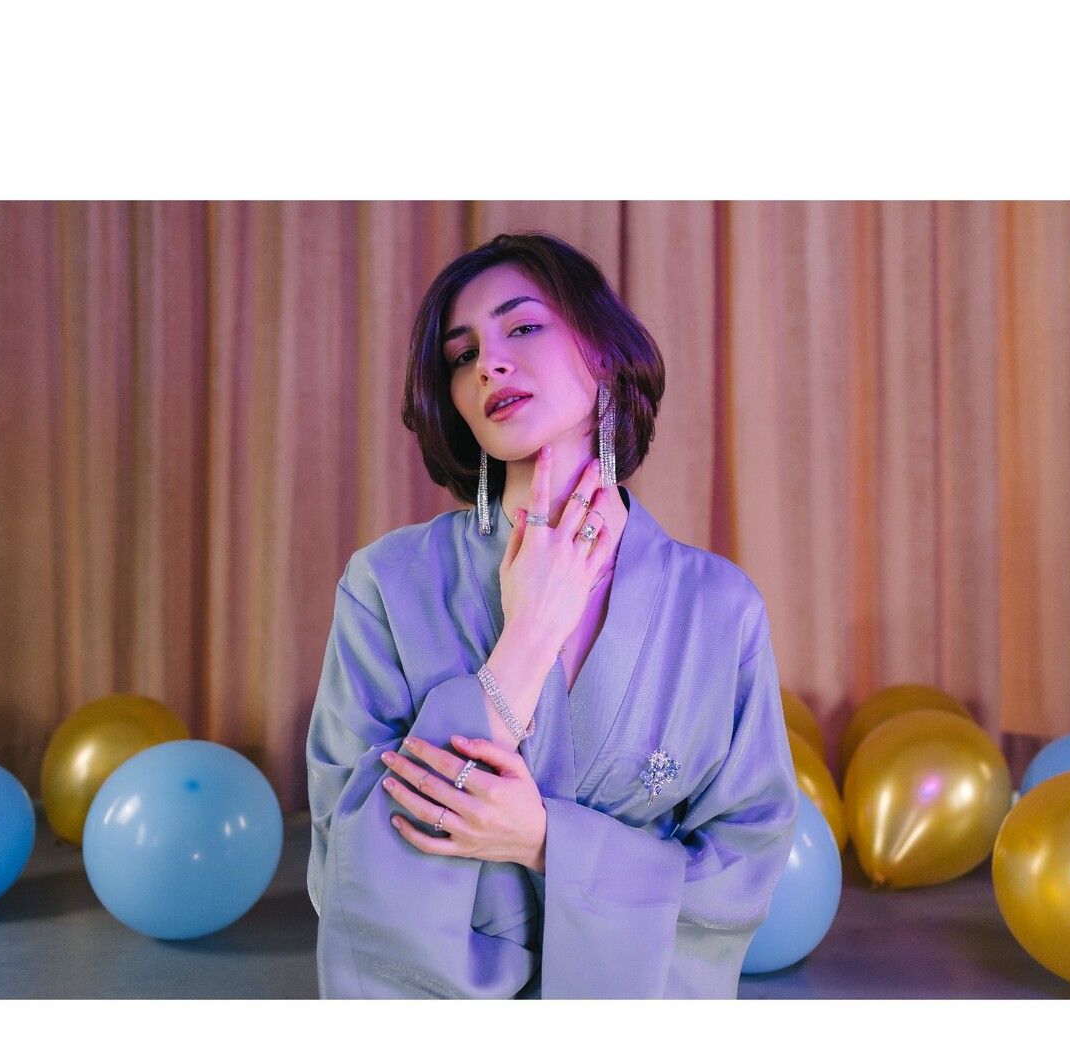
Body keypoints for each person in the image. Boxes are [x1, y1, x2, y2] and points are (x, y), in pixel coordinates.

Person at [306, 231, 798, 998]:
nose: (488, 365)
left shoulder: (719, 607)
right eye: (462, 355)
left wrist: (545, 843)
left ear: (604, 350)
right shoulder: (385, 585)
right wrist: (528, 640)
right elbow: (351, 853)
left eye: (524, 326)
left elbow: (744, 867)